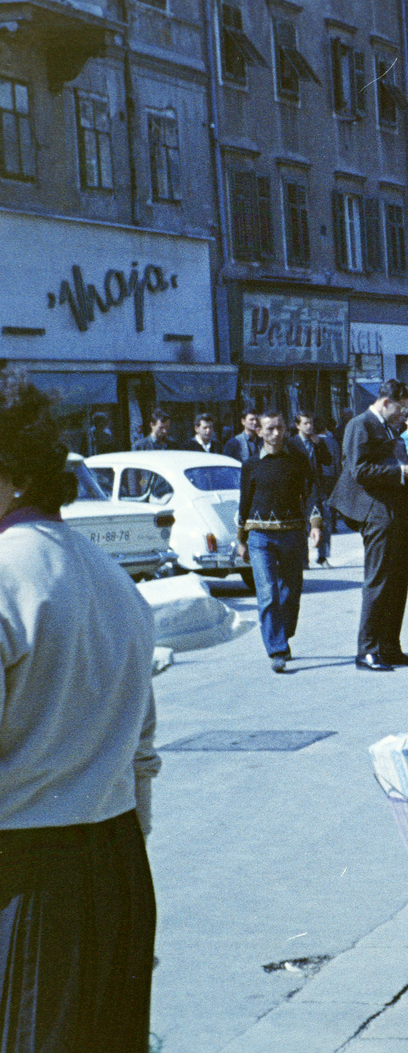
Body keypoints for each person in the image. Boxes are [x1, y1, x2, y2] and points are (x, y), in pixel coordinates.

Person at [0, 373, 161, 1053]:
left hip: (27, 875)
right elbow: (144, 750)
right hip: (117, 866)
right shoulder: (111, 577)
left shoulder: (7, 573)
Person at [332, 379, 408, 672]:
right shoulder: (361, 424)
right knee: (379, 580)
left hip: (393, 512)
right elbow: (358, 469)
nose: (403, 414)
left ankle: (390, 646)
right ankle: (367, 649)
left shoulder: (385, 426)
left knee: (397, 581)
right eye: (401, 408)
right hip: (374, 512)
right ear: (385, 402)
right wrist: (402, 471)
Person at [237, 412, 322, 673]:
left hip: (292, 534)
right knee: (267, 592)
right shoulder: (251, 465)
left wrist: (315, 524)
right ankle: (277, 649)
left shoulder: (298, 461)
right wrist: (241, 539)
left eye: (280, 428)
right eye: (270, 429)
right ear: (260, 432)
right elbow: (244, 503)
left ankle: (282, 634)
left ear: (286, 430)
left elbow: (311, 494)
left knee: (291, 592)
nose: (276, 433)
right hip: (259, 537)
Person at [288, 413, 335, 565]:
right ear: (298, 425)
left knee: (325, 520)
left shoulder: (318, 441)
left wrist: (319, 445)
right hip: (300, 488)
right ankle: (303, 558)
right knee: (302, 524)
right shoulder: (292, 443)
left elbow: (328, 461)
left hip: (318, 487)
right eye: (306, 423)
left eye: (311, 423)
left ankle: (322, 556)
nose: (309, 426)